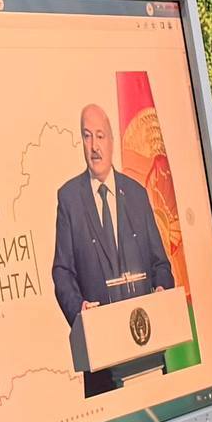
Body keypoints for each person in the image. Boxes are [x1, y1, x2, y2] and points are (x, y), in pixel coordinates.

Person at [51, 102, 175, 396]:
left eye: (100, 136)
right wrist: (80, 311)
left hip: (148, 350)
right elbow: (62, 272)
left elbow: (161, 264)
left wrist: (161, 290)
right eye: (87, 136)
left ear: (111, 140)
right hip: (101, 361)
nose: (94, 146)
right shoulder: (69, 199)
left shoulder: (137, 194)